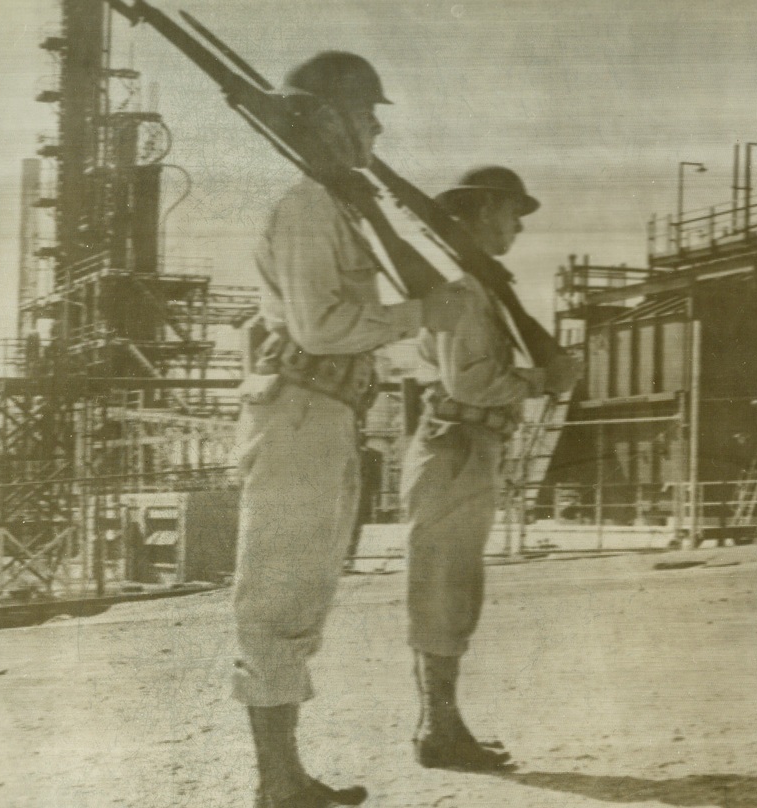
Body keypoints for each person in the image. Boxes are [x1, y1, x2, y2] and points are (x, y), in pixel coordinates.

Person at [231, 52, 468, 808]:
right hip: (301, 412)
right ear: (327, 119)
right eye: (365, 115)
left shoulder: (335, 207)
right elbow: (319, 324)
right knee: (277, 597)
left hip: (327, 414)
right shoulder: (306, 206)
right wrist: (421, 315)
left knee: (302, 597)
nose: (373, 129)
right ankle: (276, 785)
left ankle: (288, 777)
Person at [401, 166, 581, 771]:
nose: (518, 228)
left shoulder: (478, 281)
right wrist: (540, 378)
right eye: (510, 213)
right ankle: (439, 730)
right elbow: (470, 380)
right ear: (479, 212)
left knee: (452, 589)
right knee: (444, 591)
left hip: (465, 448)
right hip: (456, 445)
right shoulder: (464, 284)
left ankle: (442, 725)